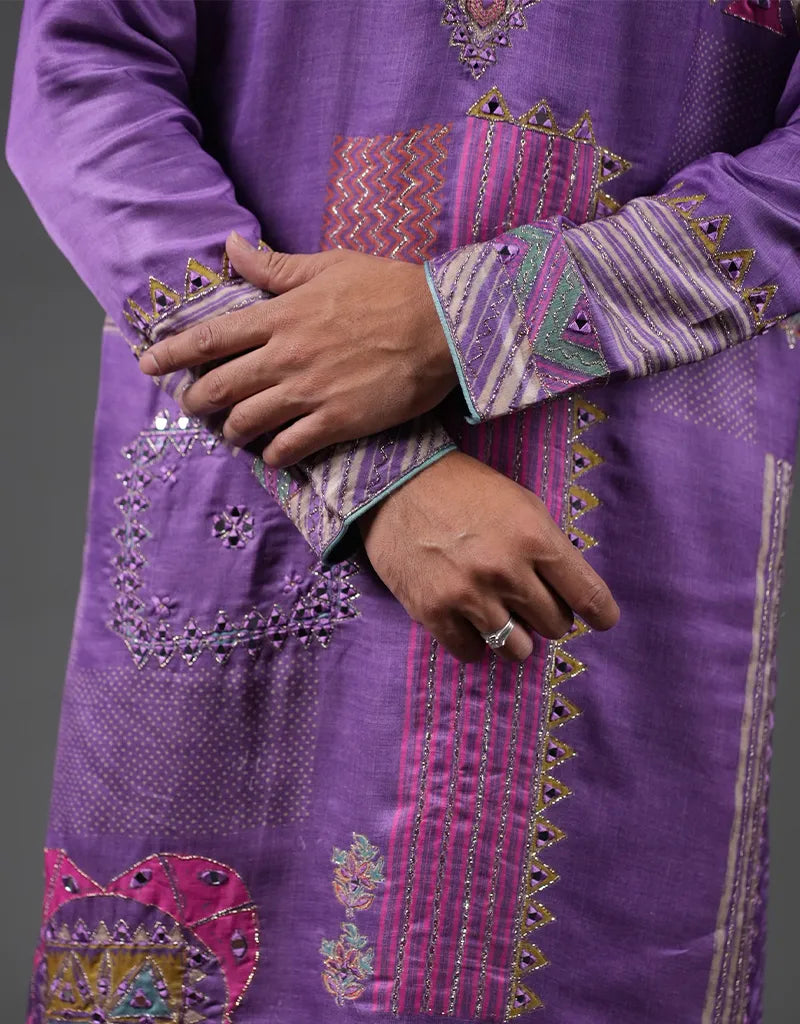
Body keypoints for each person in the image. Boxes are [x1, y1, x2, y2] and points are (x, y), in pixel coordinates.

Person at [6, 0, 799, 1020]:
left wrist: (472, 323)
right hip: (261, 497)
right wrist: (365, 470)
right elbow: (84, 81)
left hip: (621, 512)